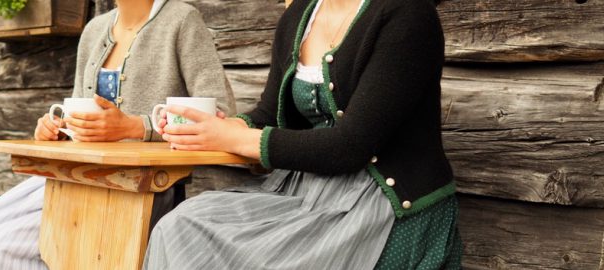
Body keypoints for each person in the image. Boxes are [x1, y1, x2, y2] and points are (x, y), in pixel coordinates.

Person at [145, 0, 461, 269]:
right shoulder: (302, 14)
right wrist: (221, 127)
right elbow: (271, 115)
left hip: (383, 202)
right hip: (305, 192)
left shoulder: (408, 15)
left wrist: (232, 139)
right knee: (180, 226)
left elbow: (350, 146)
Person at [0, 0, 235, 269]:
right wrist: (58, 131)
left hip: (137, 187)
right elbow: (78, 114)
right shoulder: (94, 30)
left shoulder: (182, 20)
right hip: (73, 177)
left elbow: (220, 112)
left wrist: (137, 127)